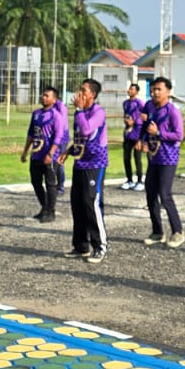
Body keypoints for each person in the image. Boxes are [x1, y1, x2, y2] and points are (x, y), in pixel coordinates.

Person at [141, 76, 185, 247]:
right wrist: (144, 140)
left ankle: (177, 231)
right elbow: (146, 128)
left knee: (165, 194)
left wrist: (159, 133)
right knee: (150, 193)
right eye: (153, 89)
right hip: (154, 157)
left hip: (168, 158)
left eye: (159, 89)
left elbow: (178, 135)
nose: (155, 92)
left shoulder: (172, 111)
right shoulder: (150, 107)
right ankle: (157, 231)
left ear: (168, 92)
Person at [67, 79, 108, 263]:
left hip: (95, 164)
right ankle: (81, 246)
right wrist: (67, 151)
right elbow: (78, 138)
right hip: (80, 163)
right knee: (77, 203)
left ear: (92, 94)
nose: (80, 93)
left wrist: (79, 110)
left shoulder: (98, 112)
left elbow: (86, 130)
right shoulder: (81, 113)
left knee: (90, 202)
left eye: (83, 90)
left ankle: (100, 246)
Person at [20, 85, 67, 223]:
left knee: (50, 184)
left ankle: (51, 212)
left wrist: (51, 154)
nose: (43, 97)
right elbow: (31, 133)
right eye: (43, 95)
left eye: (47, 96)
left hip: (49, 156)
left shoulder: (56, 116)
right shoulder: (36, 114)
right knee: (35, 182)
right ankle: (44, 207)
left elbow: (58, 136)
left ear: (54, 99)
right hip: (36, 154)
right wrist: (25, 151)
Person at [120, 83, 146, 191]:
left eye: (132, 89)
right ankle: (129, 180)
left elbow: (144, 117)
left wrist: (134, 123)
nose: (129, 90)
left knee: (137, 157)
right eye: (129, 89)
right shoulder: (125, 103)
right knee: (126, 157)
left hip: (137, 131)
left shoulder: (139, 103)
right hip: (128, 133)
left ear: (136, 91)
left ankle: (140, 180)